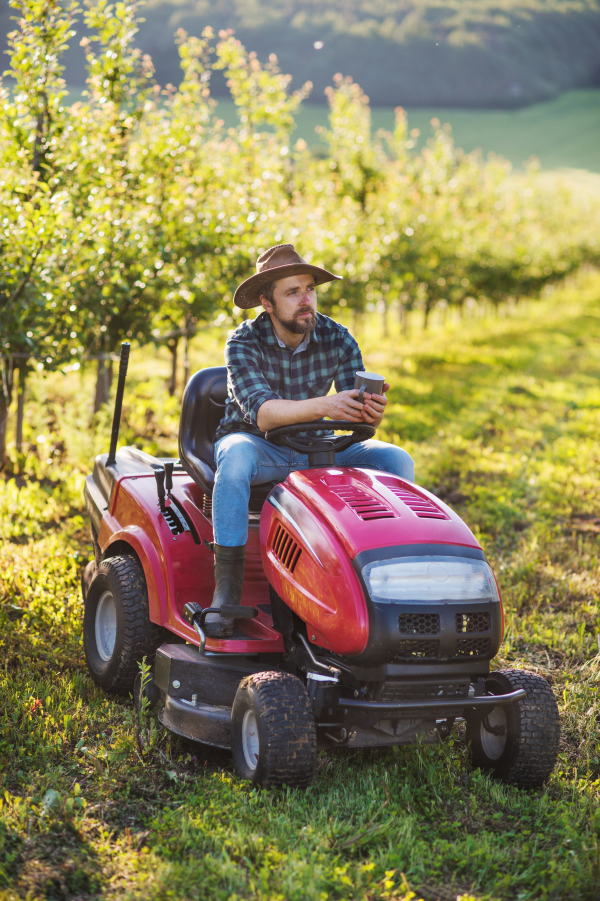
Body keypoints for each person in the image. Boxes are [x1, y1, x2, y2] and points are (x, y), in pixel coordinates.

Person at [204, 243, 414, 637]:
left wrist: (367, 410)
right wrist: (328, 405)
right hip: (258, 446)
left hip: (319, 447)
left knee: (396, 461)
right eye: (292, 292)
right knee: (232, 461)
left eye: (310, 289)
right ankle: (227, 587)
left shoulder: (338, 337)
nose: (306, 300)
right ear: (267, 303)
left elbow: (351, 409)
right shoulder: (243, 343)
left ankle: (390, 577)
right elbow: (263, 414)